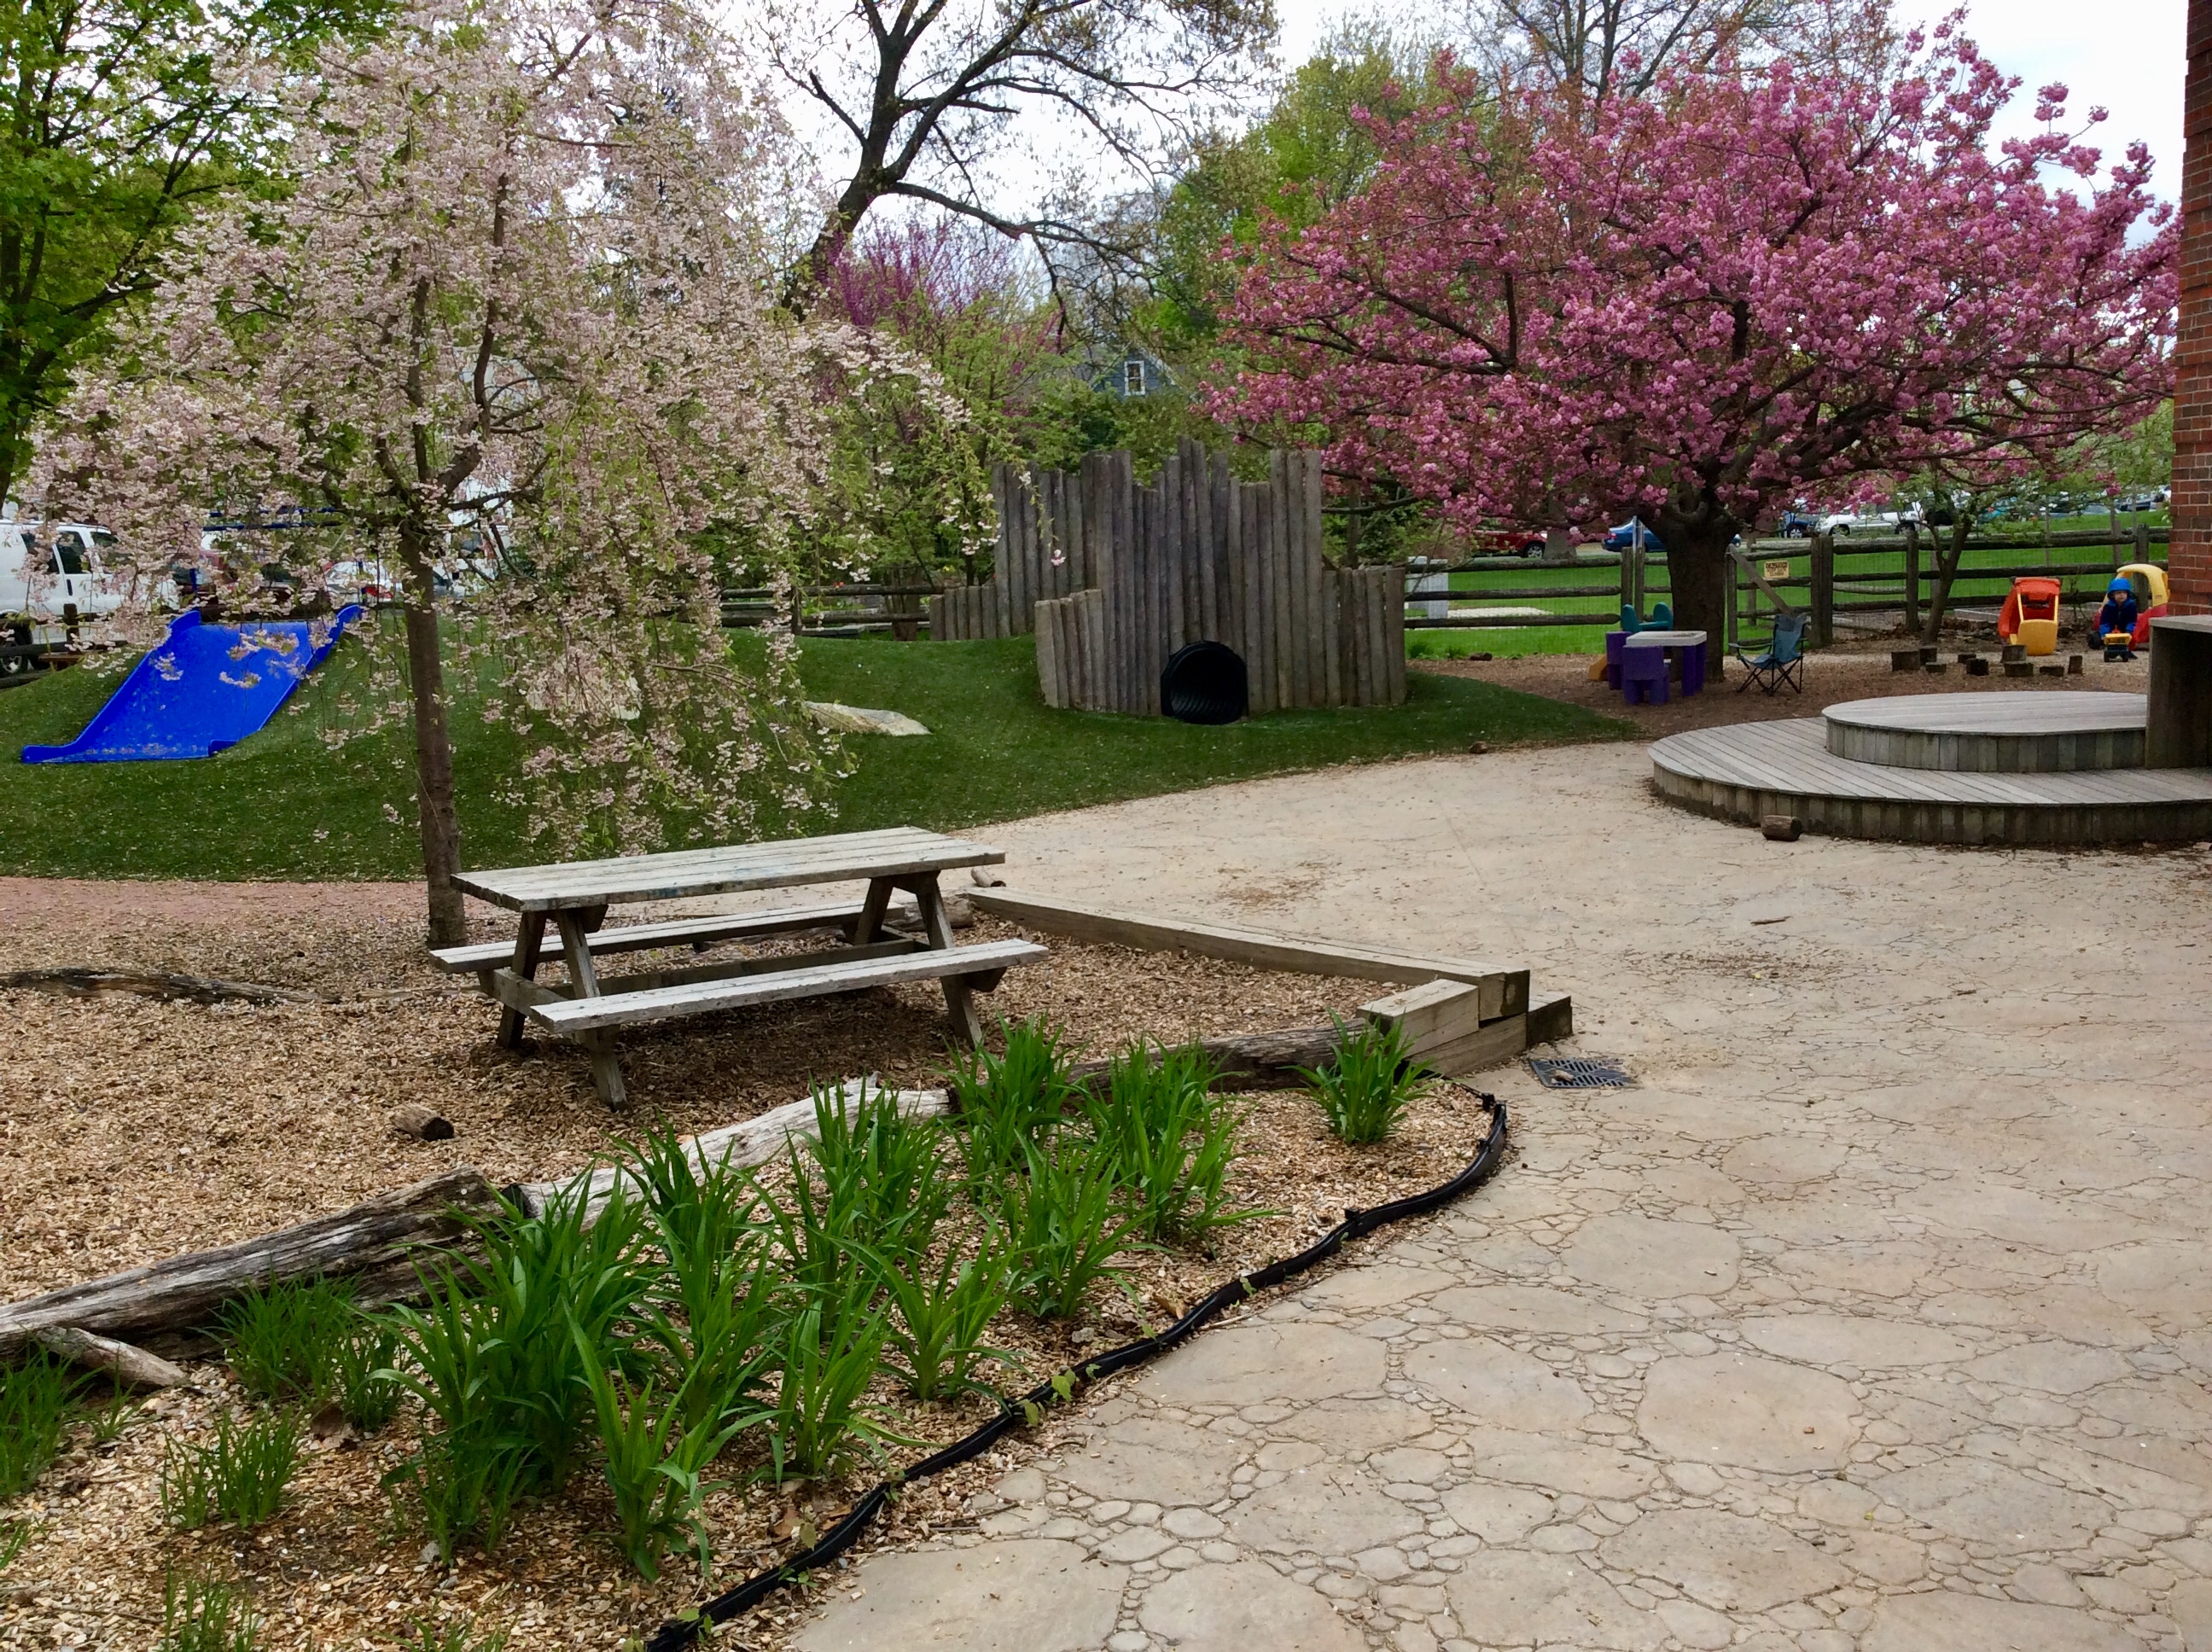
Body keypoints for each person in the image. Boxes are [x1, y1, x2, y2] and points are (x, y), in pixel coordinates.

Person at [2091, 575, 2141, 660]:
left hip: (2125, 628)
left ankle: (2127, 650)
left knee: (2132, 638)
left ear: (2128, 594)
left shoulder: (2131, 606)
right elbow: (2104, 621)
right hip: (2111, 628)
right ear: (2113, 595)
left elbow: (2132, 620)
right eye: (2118, 593)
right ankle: (2112, 651)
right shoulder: (2109, 607)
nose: (2121, 595)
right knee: (2108, 640)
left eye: (2124, 593)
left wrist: (2129, 631)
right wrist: (2104, 634)